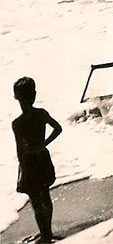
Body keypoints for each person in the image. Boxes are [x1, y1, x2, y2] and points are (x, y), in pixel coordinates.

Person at [12, 77, 61, 244]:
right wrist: (44, 144)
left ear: (17, 98)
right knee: (45, 196)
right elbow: (58, 128)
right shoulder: (41, 114)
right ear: (34, 95)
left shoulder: (17, 123)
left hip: (29, 162)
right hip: (43, 158)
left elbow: (20, 150)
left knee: (36, 201)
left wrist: (22, 170)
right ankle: (47, 233)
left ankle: (45, 235)